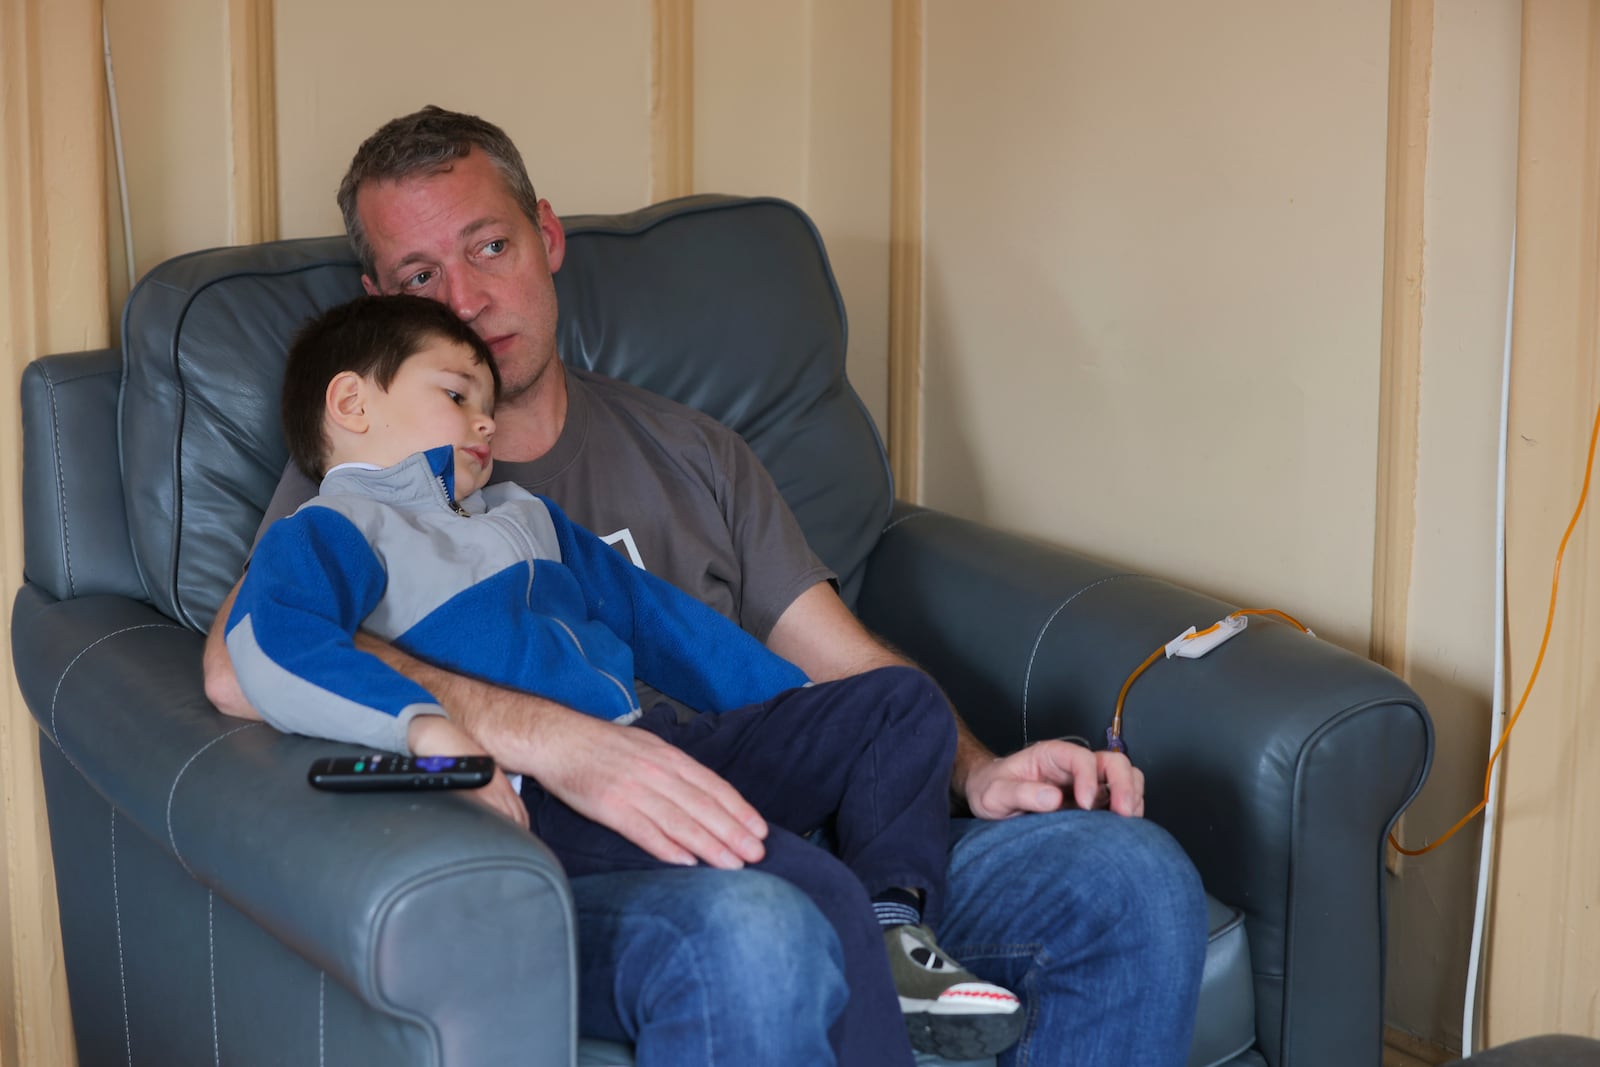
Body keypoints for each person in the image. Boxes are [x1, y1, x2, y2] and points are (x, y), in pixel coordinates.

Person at [204, 106, 1209, 1066]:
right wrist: (552, 742)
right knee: (764, 921)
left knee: (1128, 875)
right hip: (589, 860)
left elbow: (833, 666)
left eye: (490, 246)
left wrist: (976, 771)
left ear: (546, 235)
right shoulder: (355, 484)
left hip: (784, 808)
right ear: (378, 308)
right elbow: (242, 664)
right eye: (420, 274)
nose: (464, 298)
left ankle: (895, 934)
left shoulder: (690, 453)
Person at [229, 293, 1025, 1065]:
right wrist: (425, 724)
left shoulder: (523, 516)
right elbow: (271, 643)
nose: (485, 420)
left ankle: (895, 931)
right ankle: (874, 977)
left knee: (896, 702)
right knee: (811, 889)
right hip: (551, 793)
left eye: (488, 402)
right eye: (456, 393)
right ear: (351, 403)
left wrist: (799, 721)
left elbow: (667, 627)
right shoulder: (335, 528)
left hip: (655, 743)